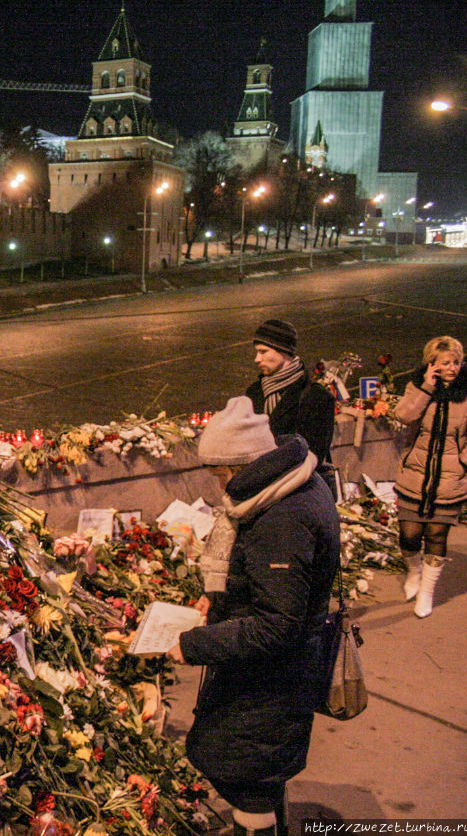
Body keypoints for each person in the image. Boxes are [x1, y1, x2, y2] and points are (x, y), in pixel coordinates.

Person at [169, 397, 340, 836]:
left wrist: (193, 644)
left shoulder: (282, 518)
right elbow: (264, 581)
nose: (219, 483)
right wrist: (217, 598)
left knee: (244, 775)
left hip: (271, 679)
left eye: (221, 473)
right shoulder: (293, 484)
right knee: (255, 771)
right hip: (277, 674)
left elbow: (277, 623)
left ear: (246, 464)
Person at [392, 336, 467, 618]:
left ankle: (427, 592)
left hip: (449, 478)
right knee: (409, 534)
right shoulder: (416, 386)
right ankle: (413, 572)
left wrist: (463, 466)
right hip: (414, 474)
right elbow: (403, 415)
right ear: (432, 364)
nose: (453, 368)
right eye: (445, 363)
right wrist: (427, 387)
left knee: (437, 534)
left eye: (456, 362)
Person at [244, 319, 336, 492]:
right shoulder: (254, 393)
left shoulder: (317, 397)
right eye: (257, 352)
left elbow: (313, 456)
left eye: (263, 352)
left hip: (300, 492)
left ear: (284, 351)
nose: (257, 359)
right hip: (259, 488)